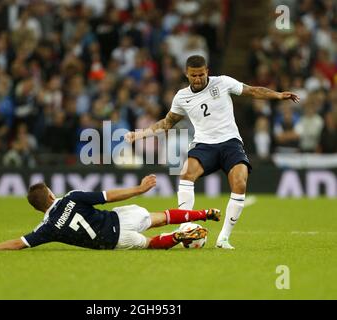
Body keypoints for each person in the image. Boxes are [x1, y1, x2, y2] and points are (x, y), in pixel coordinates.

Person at [125, 55, 300, 249]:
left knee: (240, 182)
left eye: (201, 74)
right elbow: (167, 123)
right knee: (186, 173)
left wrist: (276, 95)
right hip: (204, 144)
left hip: (230, 143)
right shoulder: (182, 97)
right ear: (187, 74)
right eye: (193, 75)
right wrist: (140, 134)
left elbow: (252, 91)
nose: (198, 79)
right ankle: (185, 226)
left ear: (207, 70)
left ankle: (223, 238)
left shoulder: (223, 82)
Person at [0, 175, 221, 251]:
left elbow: (19, 243)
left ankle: (176, 239)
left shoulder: (47, 228)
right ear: (51, 195)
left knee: (152, 244)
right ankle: (203, 213)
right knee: (162, 217)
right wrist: (140, 189)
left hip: (112, 241)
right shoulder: (72, 198)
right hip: (120, 218)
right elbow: (109, 196)